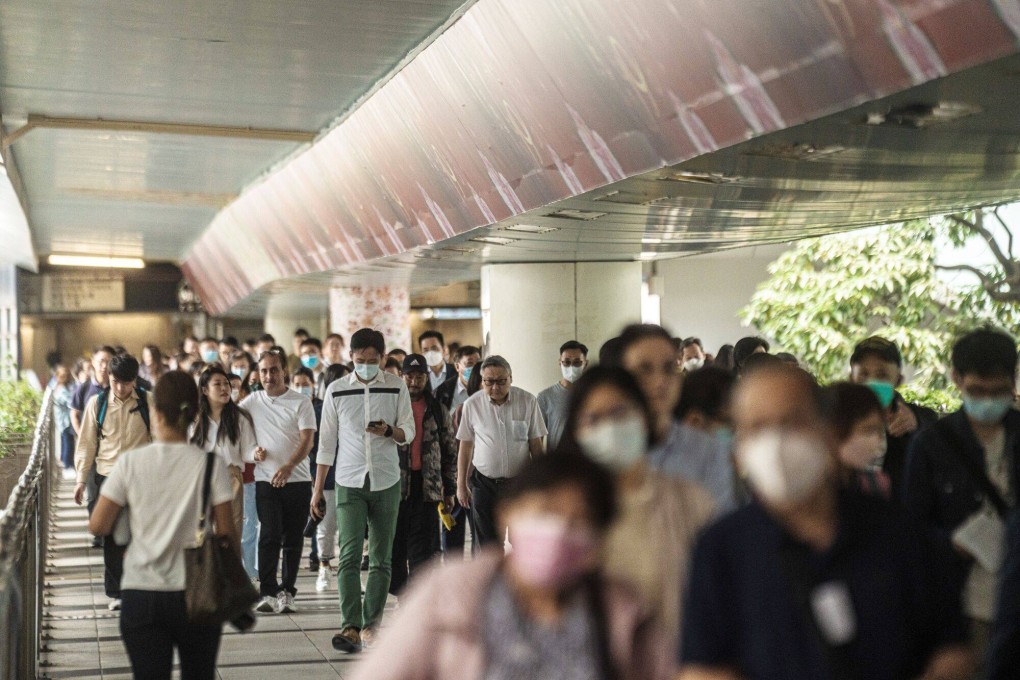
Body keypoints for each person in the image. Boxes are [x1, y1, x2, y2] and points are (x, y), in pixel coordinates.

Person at [679, 364, 971, 680]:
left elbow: (952, 651)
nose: (776, 441)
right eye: (758, 427)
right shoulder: (722, 548)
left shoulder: (900, 534)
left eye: (792, 422)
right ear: (739, 446)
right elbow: (703, 667)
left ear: (826, 429)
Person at [350, 452, 674, 680]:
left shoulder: (624, 613)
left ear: (598, 540)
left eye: (577, 521)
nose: (558, 530)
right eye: (544, 513)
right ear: (507, 514)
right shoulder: (448, 594)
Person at [88, 371, 235, 680]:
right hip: (197, 594)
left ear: (154, 412)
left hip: (142, 592)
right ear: (196, 412)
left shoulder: (130, 463)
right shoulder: (211, 464)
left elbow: (98, 524)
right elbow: (227, 533)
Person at [558, 365, 715, 652]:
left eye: (620, 414)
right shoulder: (563, 512)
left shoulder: (691, 501)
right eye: (593, 419)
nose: (609, 428)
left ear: (644, 418)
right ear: (576, 432)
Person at [904, 328, 1020, 666]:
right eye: (977, 391)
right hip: (965, 606)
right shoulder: (931, 445)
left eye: (999, 392)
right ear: (956, 379)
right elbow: (912, 528)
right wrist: (953, 543)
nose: (988, 401)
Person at [313, 328, 415, 652]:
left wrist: (390, 431)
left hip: (386, 480)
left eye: (373, 361)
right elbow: (326, 444)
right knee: (349, 556)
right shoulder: (336, 390)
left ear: (383, 358)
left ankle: (372, 625)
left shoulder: (397, 386)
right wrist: (317, 490)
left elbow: (408, 432)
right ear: (351, 358)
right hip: (348, 481)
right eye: (360, 361)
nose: (366, 365)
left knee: (382, 559)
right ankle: (350, 626)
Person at [617, 324, 738, 513]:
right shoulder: (603, 450)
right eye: (644, 370)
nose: (659, 381)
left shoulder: (709, 452)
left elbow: (721, 527)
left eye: (668, 368)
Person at [241, 347, 317, 615]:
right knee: (269, 533)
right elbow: (231, 423)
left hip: (297, 480)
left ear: (284, 370)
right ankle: (268, 592)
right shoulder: (252, 402)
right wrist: (252, 453)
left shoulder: (300, 402)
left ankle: (287, 591)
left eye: (274, 369)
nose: (269, 375)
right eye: (263, 371)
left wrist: (289, 466)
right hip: (265, 480)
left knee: (293, 539)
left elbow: (307, 439)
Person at [74, 354, 152, 610]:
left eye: (127, 382)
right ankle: (118, 592)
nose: (121, 388)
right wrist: (80, 480)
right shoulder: (97, 404)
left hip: (140, 476)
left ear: (135, 380)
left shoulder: (147, 403)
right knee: (112, 536)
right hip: (108, 476)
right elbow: (87, 444)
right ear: (109, 378)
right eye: (117, 381)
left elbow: (160, 441)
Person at [456, 355, 547, 549]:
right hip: (484, 484)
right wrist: (461, 485)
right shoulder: (472, 405)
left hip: (518, 484)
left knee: (523, 541)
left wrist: (542, 484)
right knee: (488, 545)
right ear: (482, 381)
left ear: (511, 379)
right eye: (489, 382)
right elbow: (465, 446)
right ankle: (493, 579)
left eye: (501, 381)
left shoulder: (527, 401)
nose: (495, 387)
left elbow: (536, 446)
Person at [389, 354, 457, 595]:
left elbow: (450, 452)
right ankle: (400, 595)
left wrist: (449, 490)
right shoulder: (392, 407)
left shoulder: (438, 410)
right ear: (401, 376)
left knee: (424, 547)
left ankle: (418, 598)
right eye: (409, 376)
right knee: (395, 544)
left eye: (419, 377)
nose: (413, 382)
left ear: (426, 378)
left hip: (427, 486)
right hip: (395, 485)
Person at [848, 335, 937, 502]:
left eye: (882, 375)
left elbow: (936, 436)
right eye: (863, 374)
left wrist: (916, 423)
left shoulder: (920, 418)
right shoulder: (835, 419)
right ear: (851, 378)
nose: (872, 381)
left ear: (898, 379)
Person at [190, 366, 258, 543]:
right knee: (201, 533)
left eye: (227, 384)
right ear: (205, 390)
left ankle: (229, 570)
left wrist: (256, 454)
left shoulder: (239, 417)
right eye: (217, 384)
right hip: (201, 477)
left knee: (231, 531)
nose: (224, 388)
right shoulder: (194, 419)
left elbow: (247, 450)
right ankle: (207, 570)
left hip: (231, 477)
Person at [310, 363, 348, 592]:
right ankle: (324, 565)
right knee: (326, 525)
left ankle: (347, 570)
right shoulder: (318, 410)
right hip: (328, 477)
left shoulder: (354, 407)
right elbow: (316, 448)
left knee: (349, 528)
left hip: (351, 476)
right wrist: (317, 482)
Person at [825, 382, 893, 497]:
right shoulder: (800, 493)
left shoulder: (876, 485)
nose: (877, 440)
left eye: (880, 430)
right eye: (868, 430)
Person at [537, 341, 588, 450]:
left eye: (577, 362)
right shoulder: (545, 397)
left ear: (586, 364)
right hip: (557, 462)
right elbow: (537, 437)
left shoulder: (593, 394)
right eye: (567, 362)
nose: (571, 367)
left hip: (587, 462)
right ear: (560, 362)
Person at [434, 344, 481, 411]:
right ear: (457, 367)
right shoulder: (444, 390)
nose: (475, 367)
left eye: (478, 363)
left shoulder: (487, 387)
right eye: (469, 363)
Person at [53, 364, 77, 479]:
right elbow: (69, 402)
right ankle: (68, 466)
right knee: (68, 444)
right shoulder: (61, 390)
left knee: (65, 442)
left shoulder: (60, 388)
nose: (65, 377)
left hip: (64, 422)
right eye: (62, 375)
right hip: (65, 422)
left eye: (66, 375)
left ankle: (66, 463)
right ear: (57, 376)